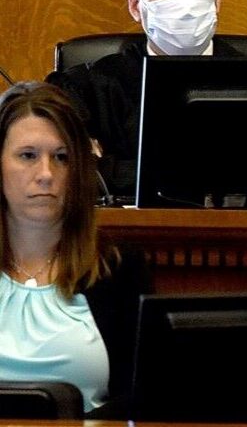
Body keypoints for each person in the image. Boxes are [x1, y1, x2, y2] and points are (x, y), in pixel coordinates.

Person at [0, 81, 154, 418]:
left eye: (61, 157)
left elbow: (145, 397)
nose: (45, 174)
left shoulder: (119, 267)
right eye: (28, 155)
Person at [46, 0, 227, 198]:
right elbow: (75, 174)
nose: (186, 2)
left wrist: (122, 169)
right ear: (135, 5)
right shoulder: (87, 88)